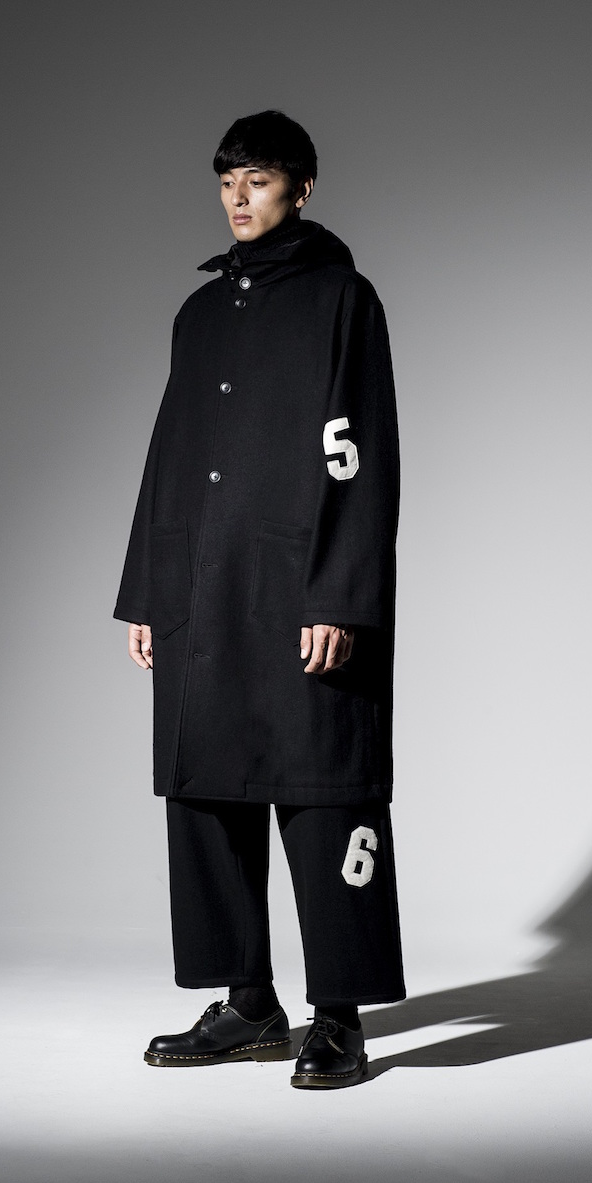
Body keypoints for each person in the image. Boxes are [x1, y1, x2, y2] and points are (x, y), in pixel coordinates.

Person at [114, 110, 404, 1089]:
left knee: (324, 788)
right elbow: (169, 455)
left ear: (301, 189)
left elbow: (362, 453)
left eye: (260, 180)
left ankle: (338, 1016)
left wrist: (341, 596)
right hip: (201, 585)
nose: (238, 198)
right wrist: (148, 592)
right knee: (205, 786)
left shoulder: (341, 299)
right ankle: (249, 1004)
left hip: (300, 585)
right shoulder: (197, 314)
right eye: (227, 181)